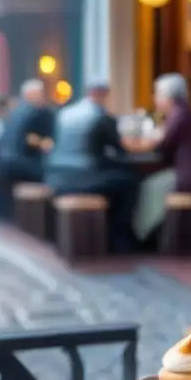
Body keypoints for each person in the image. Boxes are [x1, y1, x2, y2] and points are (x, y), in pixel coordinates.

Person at [45, 81, 139, 252]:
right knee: (129, 182)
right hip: (83, 178)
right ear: (101, 94)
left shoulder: (64, 113)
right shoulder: (100, 117)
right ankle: (119, 240)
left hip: (56, 177)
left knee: (117, 180)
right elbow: (120, 152)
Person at [123, 73, 191, 241]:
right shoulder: (181, 114)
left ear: (168, 96)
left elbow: (162, 146)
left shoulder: (180, 116)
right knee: (153, 184)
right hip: (190, 174)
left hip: (188, 178)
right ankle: (146, 234)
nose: (155, 99)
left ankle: (141, 235)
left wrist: (137, 143)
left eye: (157, 94)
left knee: (150, 187)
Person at [0, 79, 54, 183]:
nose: (43, 97)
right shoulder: (37, 111)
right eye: (42, 93)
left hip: (3, 165)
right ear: (34, 94)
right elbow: (32, 140)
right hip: (23, 165)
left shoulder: (13, 112)